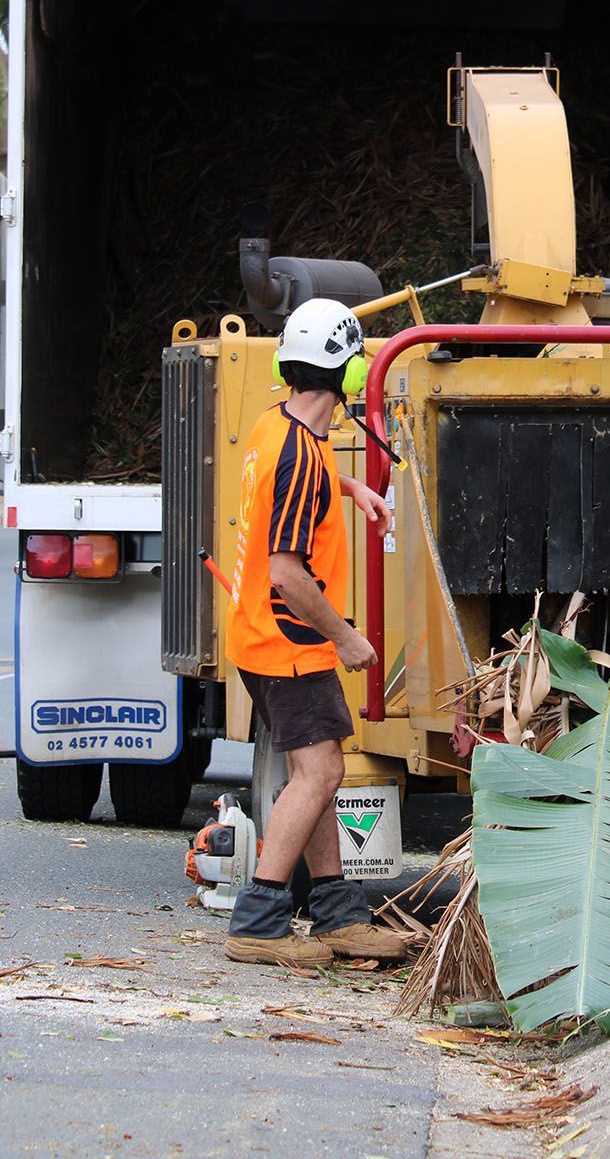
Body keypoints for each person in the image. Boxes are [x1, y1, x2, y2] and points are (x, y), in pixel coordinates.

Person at [223, 298, 408, 967]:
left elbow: (296, 480)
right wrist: (348, 638)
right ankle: (259, 920)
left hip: (258, 633)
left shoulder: (281, 427)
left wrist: (349, 487)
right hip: (290, 639)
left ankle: (335, 913)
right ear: (352, 374)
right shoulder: (303, 455)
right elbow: (288, 573)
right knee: (322, 772)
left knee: (317, 773)